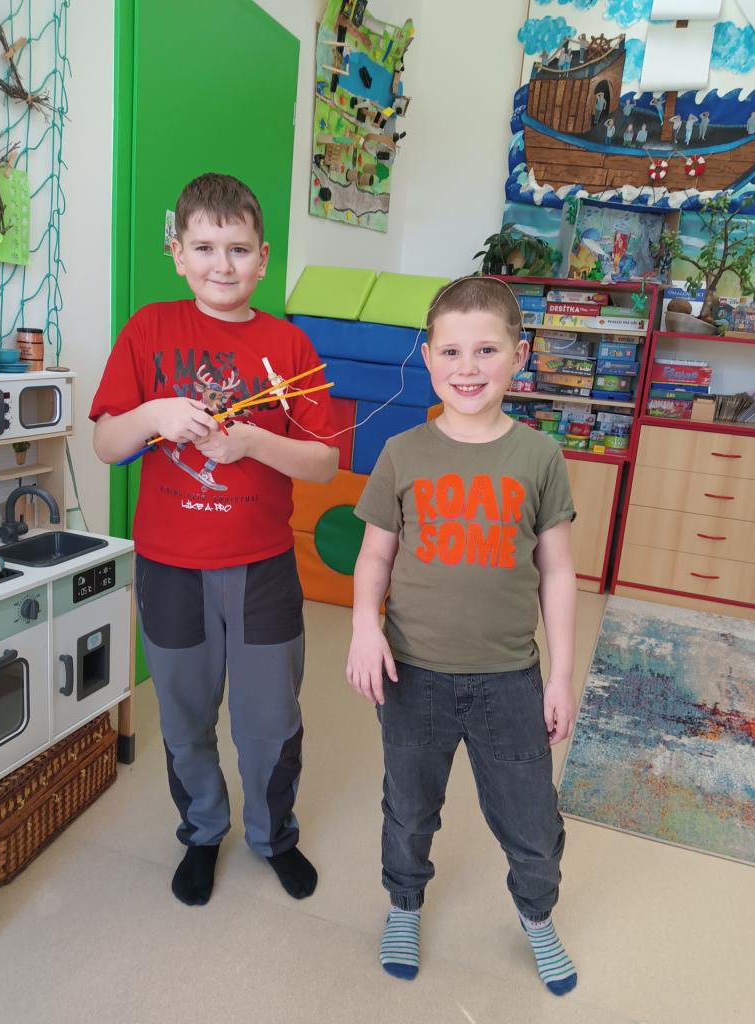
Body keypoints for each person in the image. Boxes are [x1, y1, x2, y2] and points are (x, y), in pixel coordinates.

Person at [90, 173, 338, 907]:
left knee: (270, 722)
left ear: (263, 258)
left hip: (262, 569)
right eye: (203, 247)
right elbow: (106, 444)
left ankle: (273, 836)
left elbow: (324, 462)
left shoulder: (289, 344)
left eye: (237, 249)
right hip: (170, 569)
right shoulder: (148, 330)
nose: (221, 265)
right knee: (184, 714)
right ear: (177, 253)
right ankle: (202, 831)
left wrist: (253, 443)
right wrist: (154, 415)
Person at [346, 276, 579, 996]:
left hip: (509, 678)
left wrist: (560, 676)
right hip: (412, 675)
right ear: (427, 357)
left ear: (519, 355)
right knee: (409, 808)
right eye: (450, 351)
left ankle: (536, 915)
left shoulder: (539, 456)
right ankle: (403, 905)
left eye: (486, 350)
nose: (467, 367)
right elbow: (374, 556)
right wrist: (362, 626)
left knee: (530, 818)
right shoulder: (401, 451)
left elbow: (558, 572)